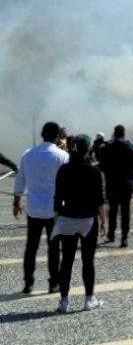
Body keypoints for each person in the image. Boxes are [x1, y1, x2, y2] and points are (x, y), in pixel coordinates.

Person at [12, 121, 70, 294]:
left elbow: (20, 179)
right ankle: (53, 283)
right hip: (55, 209)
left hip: (34, 208)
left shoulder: (27, 154)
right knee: (54, 248)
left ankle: (28, 283)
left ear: (41, 134)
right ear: (58, 135)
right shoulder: (62, 156)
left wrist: (17, 201)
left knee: (31, 247)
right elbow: (66, 184)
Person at [52, 135, 107, 313]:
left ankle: (63, 302)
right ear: (88, 150)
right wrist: (104, 221)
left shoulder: (63, 170)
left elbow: (57, 201)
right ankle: (89, 299)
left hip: (67, 219)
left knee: (66, 261)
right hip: (88, 221)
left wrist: (58, 219)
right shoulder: (94, 173)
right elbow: (99, 201)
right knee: (87, 261)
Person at [99, 125, 133, 247]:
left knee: (113, 209)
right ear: (123, 134)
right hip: (127, 183)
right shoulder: (130, 147)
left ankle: (111, 233)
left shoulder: (107, 148)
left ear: (114, 134)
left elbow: (102, 166)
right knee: (125, 210)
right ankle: (124, 238)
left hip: (112, 183)